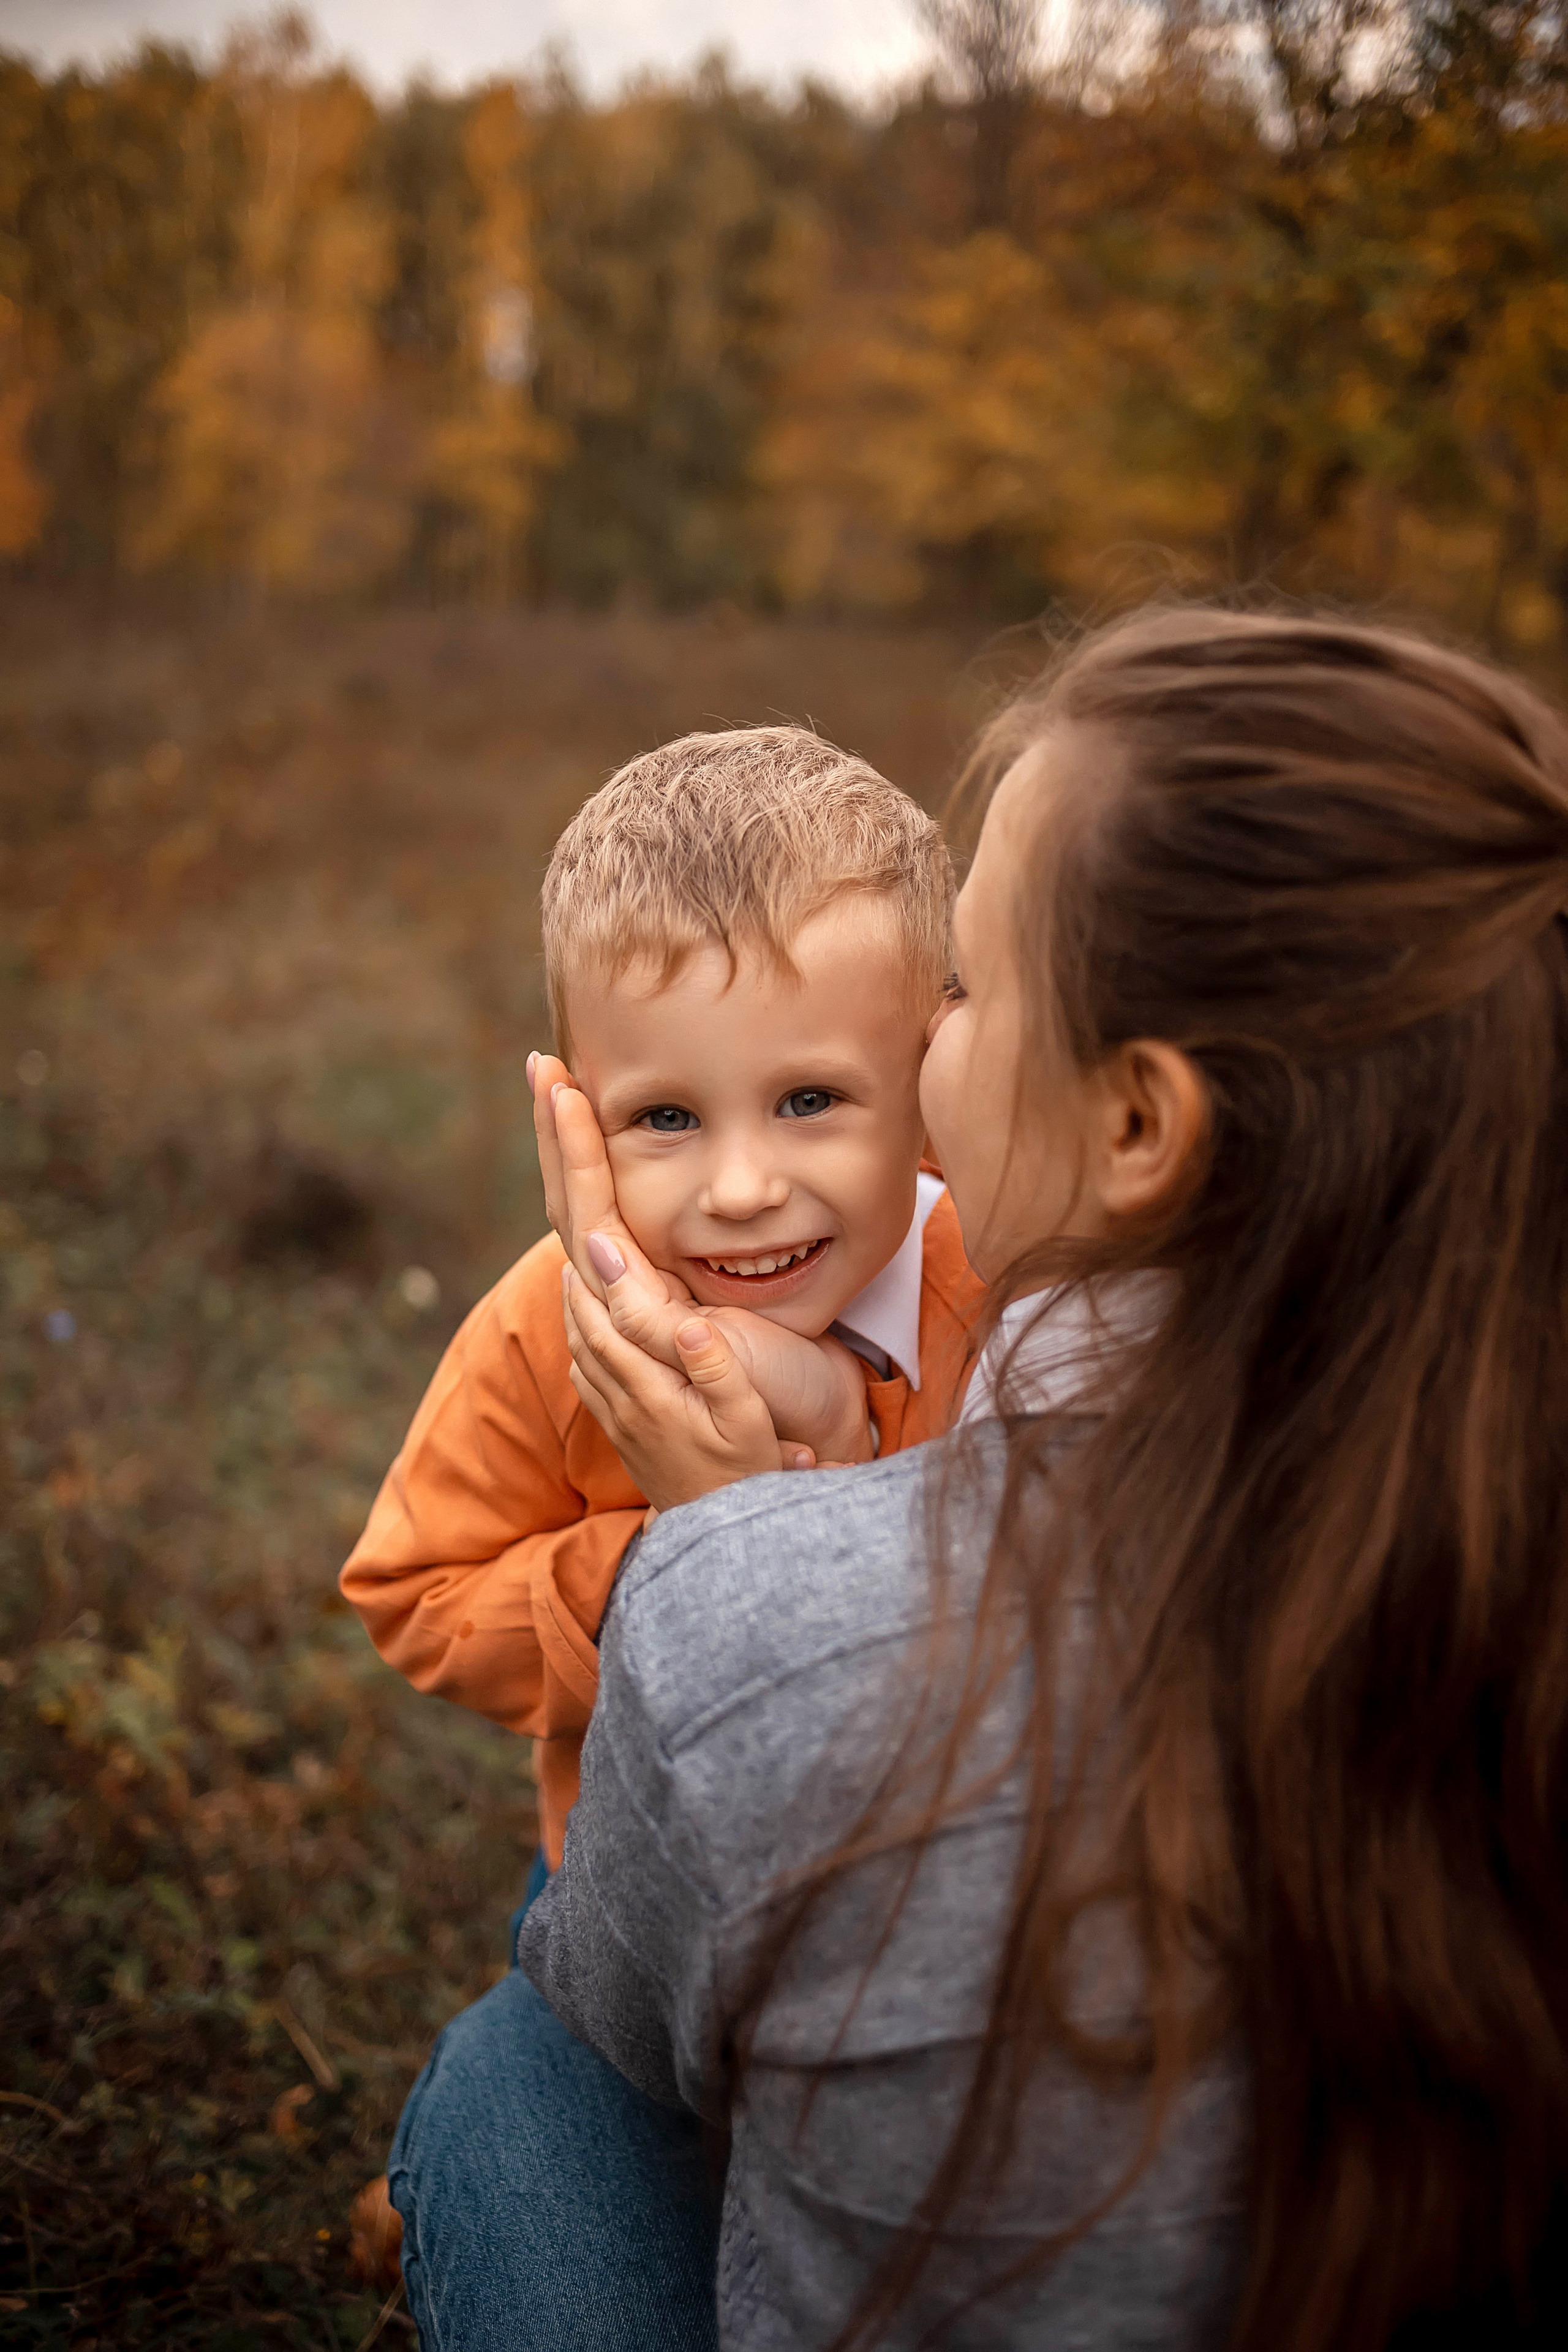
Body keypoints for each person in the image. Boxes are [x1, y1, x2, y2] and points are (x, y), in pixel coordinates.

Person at [510, 606, 1568, 2349]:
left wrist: (736, 1549)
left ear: (1141, 1127)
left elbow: (623, 2000)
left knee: (510, 2087)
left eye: (972, 990)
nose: (923, 1049)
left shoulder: (769, 1619)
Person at [342, 725, 984, 2342]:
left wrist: (823, 1471)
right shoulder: (547, 1336)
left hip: (956, 1912)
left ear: (933, 1078)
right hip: (653, 1909)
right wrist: (654, 1560)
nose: (745, 1190)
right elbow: (414, 1590)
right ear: (574, 1112)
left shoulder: (1013, 1286)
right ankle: (479, 2178)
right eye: (665, 1120)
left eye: (814, 1099)